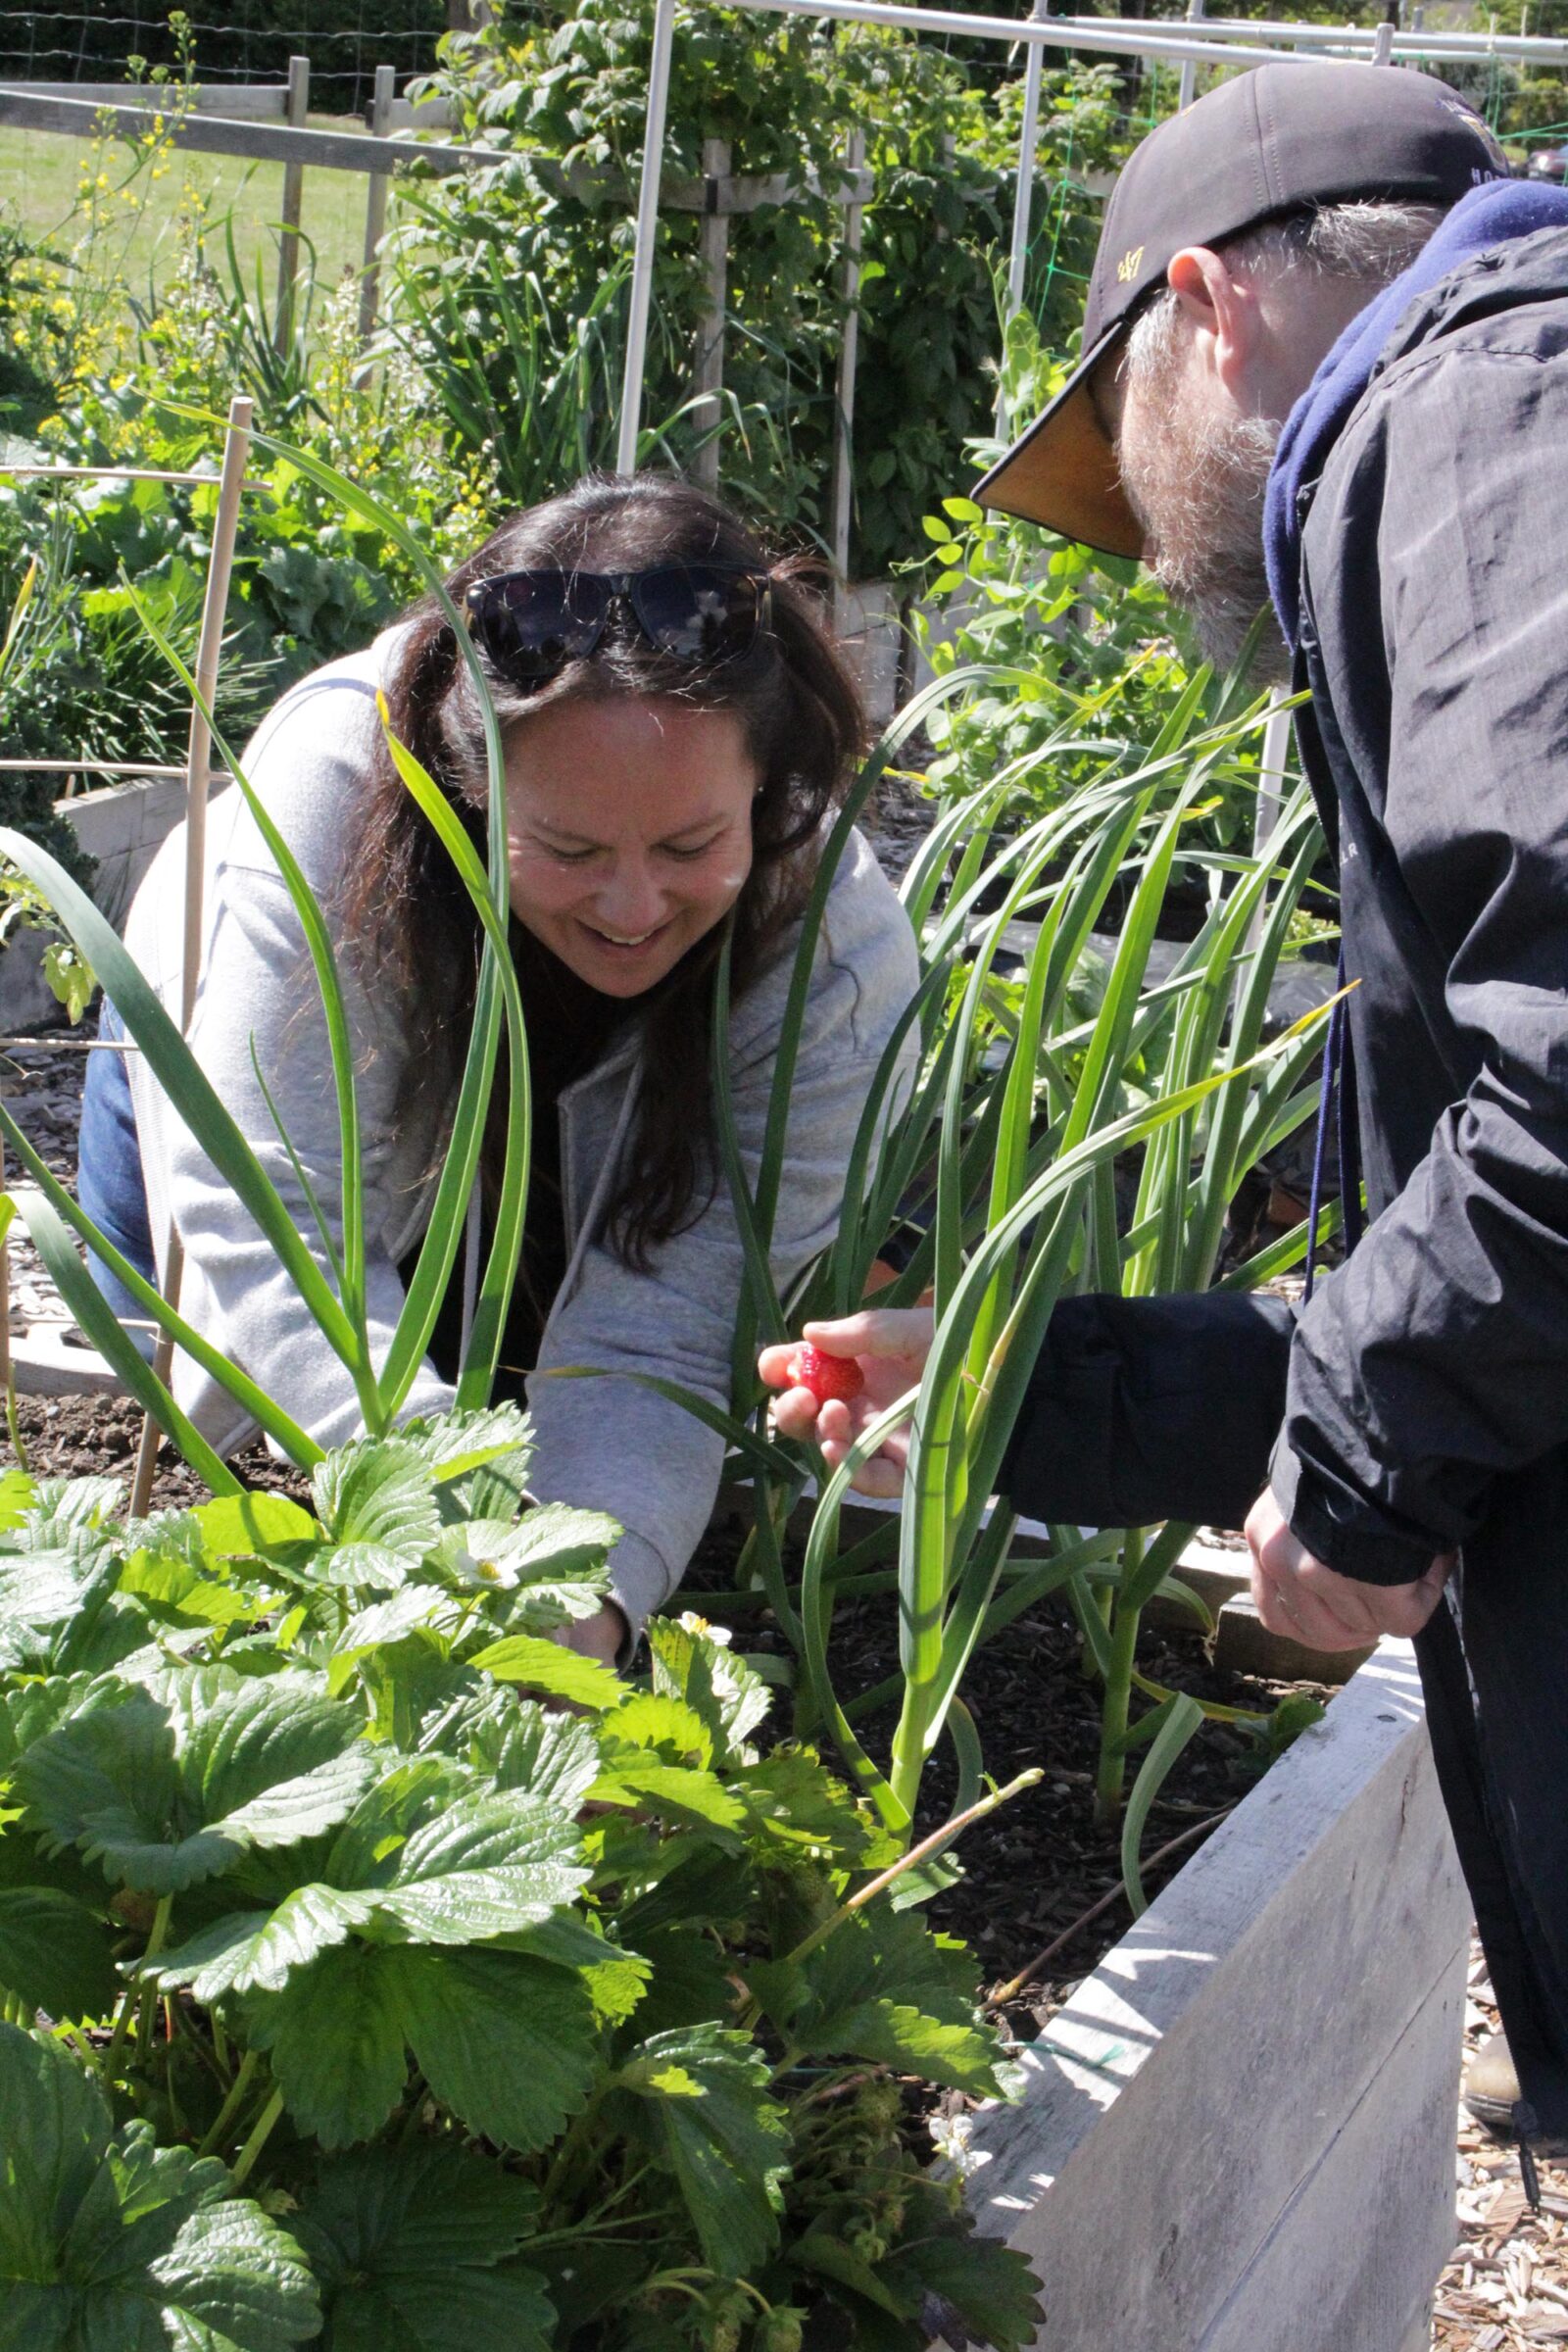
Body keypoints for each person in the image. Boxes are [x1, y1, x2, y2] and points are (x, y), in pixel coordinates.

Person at [762, 63, 1568, 2151]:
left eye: (1123, 453)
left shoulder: (1469, 424)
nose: (1146, 550)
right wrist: (1017, 1393)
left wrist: (1371, 1470)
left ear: (1204, 308)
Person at [79, 473, 918, 1664]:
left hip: (580, 1159)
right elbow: (272, 1225)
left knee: (547, 1417)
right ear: (471, 790)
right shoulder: (333, 795)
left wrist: (586, 1602)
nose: (632, 906)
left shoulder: (831, 942)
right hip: (245, 1105)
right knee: (174, 1392)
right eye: (566, 848)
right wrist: (468, 1530)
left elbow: (671, 1329)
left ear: (768, 791)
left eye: (690, 844)